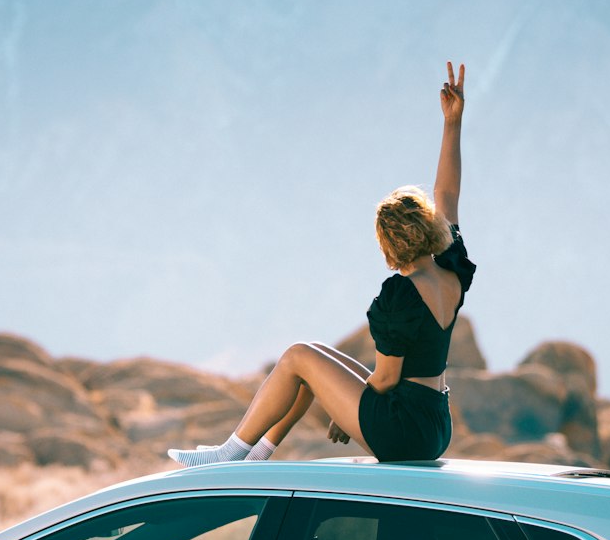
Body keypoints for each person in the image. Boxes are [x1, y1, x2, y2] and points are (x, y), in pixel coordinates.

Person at [168, 62, 475, 466]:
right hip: (434, 422)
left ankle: (230, 453)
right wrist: (452, 123)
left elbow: (384, 380)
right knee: (314, 357)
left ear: (389, 242)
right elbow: (447, 191)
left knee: (297, 355)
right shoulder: (450, 268)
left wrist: (351, 413)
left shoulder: (401, 293)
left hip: (403, 429)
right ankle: (256, 452)